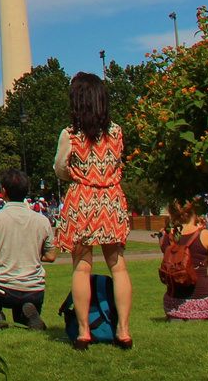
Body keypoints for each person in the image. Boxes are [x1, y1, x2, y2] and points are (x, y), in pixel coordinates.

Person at [53, 72, 133, 349]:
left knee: (82, 267)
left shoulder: (70, 134)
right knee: (118, 266)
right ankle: (123, 329)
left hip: (83, 198)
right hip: (111, 197)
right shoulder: (116, 132)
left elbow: (60, 169)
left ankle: (85, 330)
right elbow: (118, 160)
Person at [0, 169, 55, 329]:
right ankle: (28, 315)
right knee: (22, 311)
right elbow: (51, 256)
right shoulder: (42, 221)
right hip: (34, 289)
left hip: (3, 290)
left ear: (4, 191)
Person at [158, 198, 208, 320]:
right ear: (195, 210)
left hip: (173, 304)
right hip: (202, 302)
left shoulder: (167, 236)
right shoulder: (206, 235)